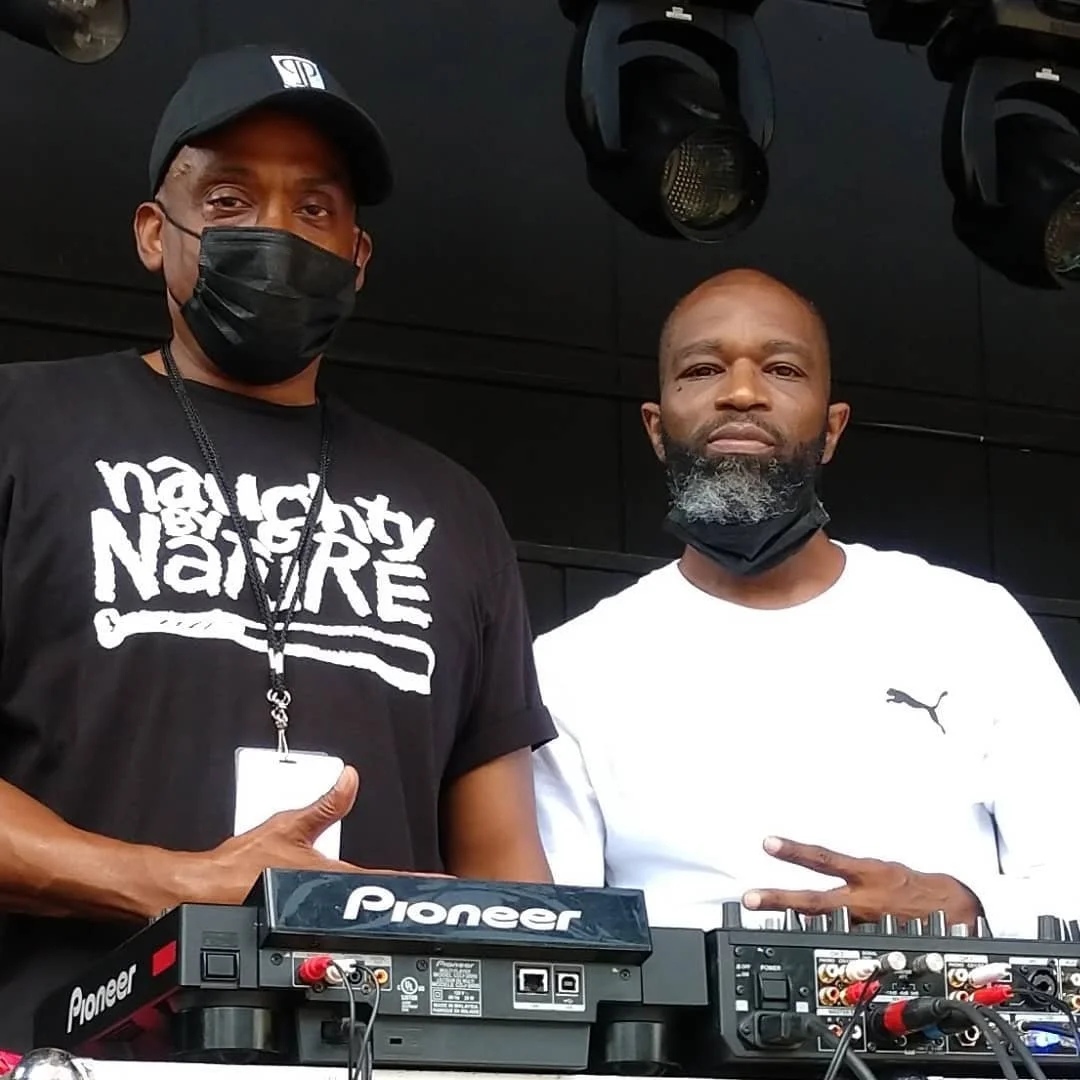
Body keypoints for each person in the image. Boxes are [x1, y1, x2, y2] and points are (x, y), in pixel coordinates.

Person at [0, 45, 553, 1049]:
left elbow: (507, 866)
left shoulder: (453, 508)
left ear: (359, 254)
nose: (274, 231)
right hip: (61, 1050)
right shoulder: (18, 425)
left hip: (384, 1057)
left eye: (314, 209)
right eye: (227, 196)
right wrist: (182, 887)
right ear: (150, 233)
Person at [532, 268, 1079, 938]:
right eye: (703, 369)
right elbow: (562, 939)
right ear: (655, 427)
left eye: (782, 370)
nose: (740, 393)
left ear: (831, 428)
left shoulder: (972, 624)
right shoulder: (570, 667)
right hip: (679, 1045)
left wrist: (963, 911)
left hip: (969, 1036)